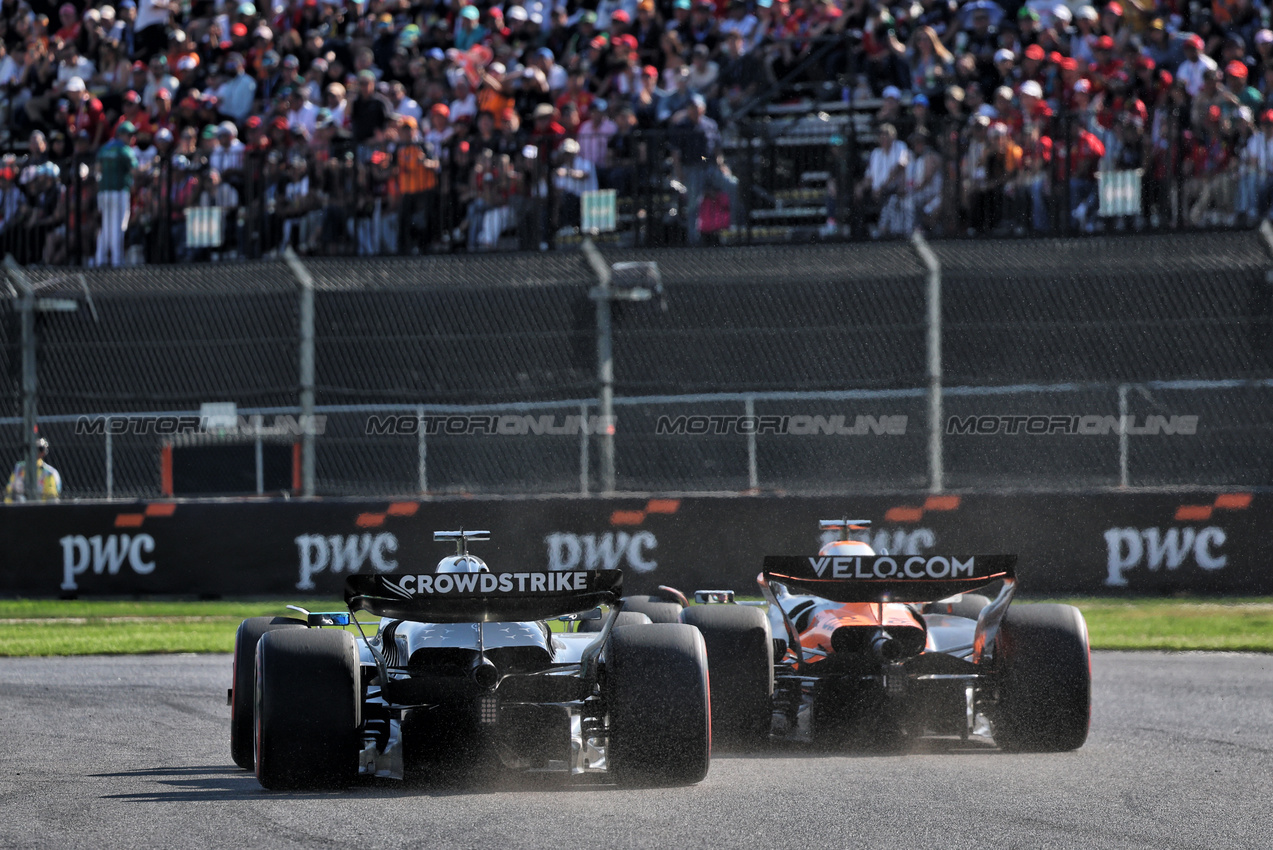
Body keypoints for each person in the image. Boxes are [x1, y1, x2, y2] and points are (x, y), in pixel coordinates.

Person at [95, 120, 137, 267]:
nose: (132, 138)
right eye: (130, 134)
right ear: (121, 135)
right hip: (119, 193)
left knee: (105, 228)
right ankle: (117, 264)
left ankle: (100, 261)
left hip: (103, 193)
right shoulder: (125, 150)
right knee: (118, 228)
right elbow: (135, 171)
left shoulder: (105, 148)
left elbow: (98, 169)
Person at [4, 438, 62, 503]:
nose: (35, 452)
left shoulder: (49, 472)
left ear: (43, 452)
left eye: (39, 449)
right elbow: (10, 491)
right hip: (19, 509)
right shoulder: (19, 468)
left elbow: (53, 496)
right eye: (31, 449)